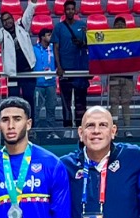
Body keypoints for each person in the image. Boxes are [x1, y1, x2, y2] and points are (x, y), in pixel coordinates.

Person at [0, 2, 42, 117]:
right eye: (4, 20)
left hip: (28, 71)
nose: (7, 21)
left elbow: (28, 15)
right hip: (12, 74)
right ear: (2, 23)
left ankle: (31, 127)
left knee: (29, 100)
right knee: (13, 102)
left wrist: (32, 4)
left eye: (9, 19)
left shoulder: (22, 26)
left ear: (13, 19)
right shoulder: (2, 34)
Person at [54, 0, 90, 136]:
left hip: (80, 69)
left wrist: (82, 42)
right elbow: (56, 48)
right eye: (67, 9)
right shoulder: (59, 27)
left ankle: (82, 130)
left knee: (81, 101)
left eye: (72, 9)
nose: (70, 11)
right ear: (64, 11)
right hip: (66, 69)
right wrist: (59, 66)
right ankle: (67, 128)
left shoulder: (82, 26)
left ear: (75, 11)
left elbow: (89, 45)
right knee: (66, 101)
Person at [107, 18, 135, 138]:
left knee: (126, 103)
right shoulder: (109, 39)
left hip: (127, 76)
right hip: (114, 76)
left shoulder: (131, 39)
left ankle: (127, 129)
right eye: (117, 24)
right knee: (114, 104)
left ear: (125, 26)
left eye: (122, 24)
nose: (119, 26)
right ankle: (115, 129)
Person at [34, 28, 58, 135]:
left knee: (51, 109)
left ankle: (51, 132)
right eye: (49, 35)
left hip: (51, 84)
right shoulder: (34, 49)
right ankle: (34, 132)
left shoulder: (54, 49)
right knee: (36, 110)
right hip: (38, 84)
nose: (51, 37)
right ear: (42, 37)